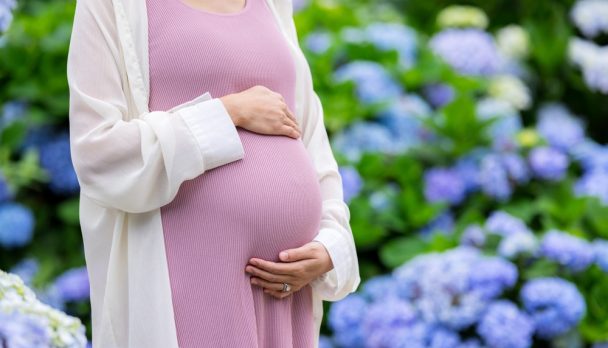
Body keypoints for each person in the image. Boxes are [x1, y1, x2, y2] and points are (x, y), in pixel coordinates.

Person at [66, 0, 361, 347]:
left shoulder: (273, 4)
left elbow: (310, 139)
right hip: (191, 287)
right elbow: (98, 154)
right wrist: (226, 113)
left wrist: (331, 246)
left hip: (285, 298)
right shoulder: (111, 6)